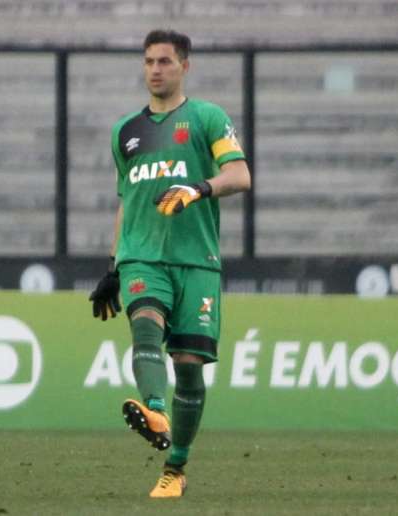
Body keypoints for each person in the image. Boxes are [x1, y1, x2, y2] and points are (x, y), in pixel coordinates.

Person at [89, 29, 251, 498]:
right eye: (148, 62)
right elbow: (127, 201)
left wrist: (197, 188)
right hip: (144, 256)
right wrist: (115, 264)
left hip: (196, 260)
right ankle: (154, 409)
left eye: (164, 61)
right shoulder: (125, 132)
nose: (155, 70)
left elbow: (240, 175)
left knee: (189, 366)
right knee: (144, 322)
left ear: (185, 66)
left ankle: (175, 468)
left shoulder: (206, 118)